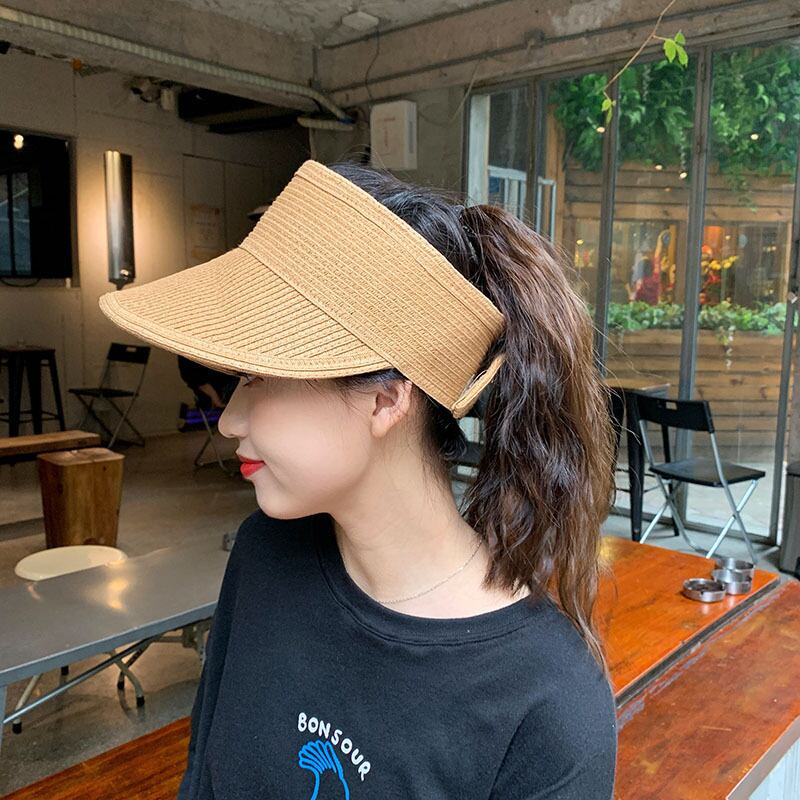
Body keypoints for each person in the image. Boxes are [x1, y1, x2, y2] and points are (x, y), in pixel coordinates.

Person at [99, 159, 618, 799]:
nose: (229, 419)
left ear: (385, 399)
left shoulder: (550, 704)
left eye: (256, 377)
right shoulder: (264, 556)